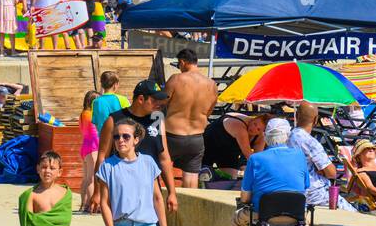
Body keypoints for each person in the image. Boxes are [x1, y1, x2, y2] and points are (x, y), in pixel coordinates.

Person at [212, 118, 309, 226]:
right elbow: (305, 187)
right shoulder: (300, 156)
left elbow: (245, 196)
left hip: (263, 216)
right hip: (296, 216)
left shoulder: (256, 159)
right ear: (287, 136)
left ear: (266, 136)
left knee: (236, 225)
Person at [97, 80, 177, 214]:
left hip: (150, 191)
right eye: (155, 100)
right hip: (121, 190)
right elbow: (102, 155)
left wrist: (172, 192)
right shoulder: (114, 120)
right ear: (141, 99)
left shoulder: (157, 119)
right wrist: (97, 191)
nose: (160, 104)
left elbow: (164, 157)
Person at [163, 48, 217, 188]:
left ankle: (164, 203)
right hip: (196, 137)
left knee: (162, 169)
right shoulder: (212, 85)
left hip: (172, 135)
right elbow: (209, 111)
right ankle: (189, 208)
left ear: (182, 62)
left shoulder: (176, 79)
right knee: (191, 175)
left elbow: (161, 103)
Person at [288, 101, 338, 209]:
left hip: (289, 189)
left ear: (296, 116)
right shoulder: (310, 142)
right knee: (353, 212)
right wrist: (318, 170)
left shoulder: (286, 137)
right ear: (316, 120)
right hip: (312, 193)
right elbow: (332, 173)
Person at [200, 111, 265, 177]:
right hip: (210, 143)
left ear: (262, 132)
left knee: (230, 177)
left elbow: (257, 159)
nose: (253, 128)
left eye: (258, 129)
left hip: (229, 151)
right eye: (255, 124)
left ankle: (215, 176)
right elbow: (248, 154)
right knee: (203, 174)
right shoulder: (239, 126)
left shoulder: (261, 137)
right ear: (252, 119)